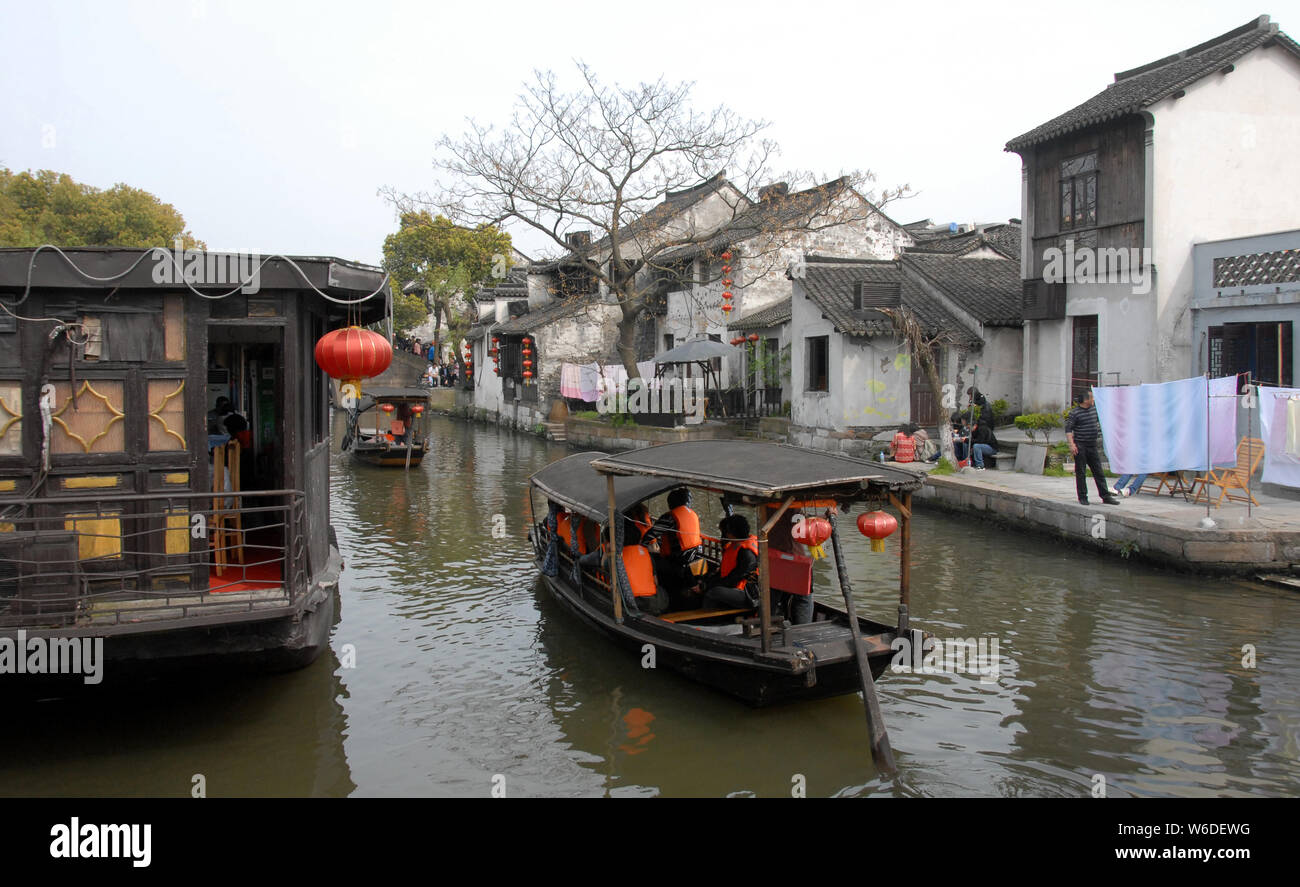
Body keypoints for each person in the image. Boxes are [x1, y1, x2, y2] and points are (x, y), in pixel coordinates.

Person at [1066, 390, 1119, 505]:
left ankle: (1105, 496)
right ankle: (1083, 497)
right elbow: (1068, 430)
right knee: (1081, 472)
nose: (1093, 400)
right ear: (1086, 400)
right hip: (1080, 446)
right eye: (1092, 398)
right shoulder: (1074, 413)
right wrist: (1072, 444)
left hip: (1092, 445)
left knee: (1098, 471)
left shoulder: (1094, 410)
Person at [701, 514, 761, 610]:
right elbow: (723, 574)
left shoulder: (746, 553)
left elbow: (733, 578)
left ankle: (709, 617)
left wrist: (707, 586)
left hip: (747, 593)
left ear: (731, 534)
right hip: (733, 585)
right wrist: (705, 583)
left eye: (724, 532)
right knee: (706, 581)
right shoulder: (734, 545)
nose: (723, 536)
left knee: (714, 591)